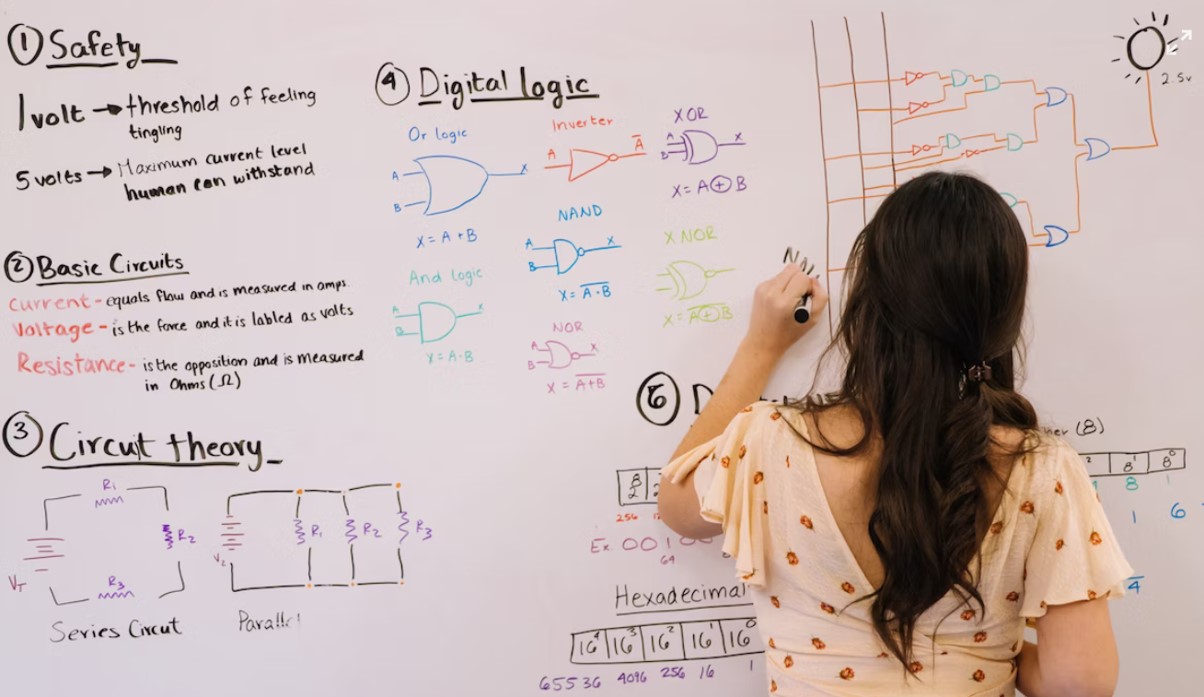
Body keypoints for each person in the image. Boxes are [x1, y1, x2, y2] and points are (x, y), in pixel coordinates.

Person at [658, 171, 1132, 697]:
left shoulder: (769, 442)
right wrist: (990, 648)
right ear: (1001, 317)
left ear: (868, 303)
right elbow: (1082, 685)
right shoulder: (1042, 470)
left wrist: (761, 346)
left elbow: (676, 505)